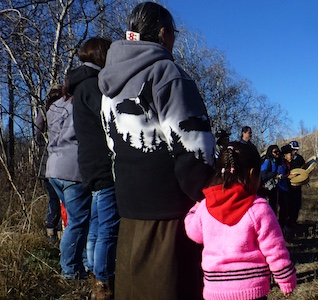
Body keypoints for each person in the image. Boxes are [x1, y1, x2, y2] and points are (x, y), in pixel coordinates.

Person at [98, 2, 215, 299]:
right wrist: (209, 195)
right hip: (172, 216)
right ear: (164, 34)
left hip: (129, 209)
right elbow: (194, 149)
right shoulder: (168, 74)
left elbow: (113, 145)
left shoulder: (109, 86)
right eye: (174, 32)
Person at [184, 142, 296, 300]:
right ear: (252, 174)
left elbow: (194, 233)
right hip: (252, 289)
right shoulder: (258, 207)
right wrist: (285, 278)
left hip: (215, 289)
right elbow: (274, 248)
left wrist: (193, 210)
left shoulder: (205, 206)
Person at [67, 37, 120, 299]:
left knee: (97, 225)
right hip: (103, 164)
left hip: (89, 164)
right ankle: (104, 282)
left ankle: (94, 274)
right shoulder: (94, 85)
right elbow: (113, 119)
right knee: (108, 227)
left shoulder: (79, 86)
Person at [46, 84, 92, 280]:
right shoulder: (79, 103)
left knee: (74, 220)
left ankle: (77, 263)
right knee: (77, 222)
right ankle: (71, 270)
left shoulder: (54, 107)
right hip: (72, 169)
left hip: (53, 168)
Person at [35, 84, 63, 244]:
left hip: (47, 164)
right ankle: (57, 231)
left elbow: (38, 134)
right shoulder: (64, 110)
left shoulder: (44, 112)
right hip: (58, 162)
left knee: (54, 198)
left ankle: (52, 231)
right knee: (60, 199)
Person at [287, 140, 305, 233]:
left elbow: (304, 170)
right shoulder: (285, 159)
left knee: (297, 204)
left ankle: (294, 221)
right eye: (293, 150)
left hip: (298, 185)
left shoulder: (300, 158)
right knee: (289, 204)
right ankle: (288, 223)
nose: (295, 151)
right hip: (288, 186)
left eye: (296, 150)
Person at [259, 145, 281, 214]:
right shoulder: (267, 161)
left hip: (273, 187)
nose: (277, 153)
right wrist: (275, 174)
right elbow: (263, 175)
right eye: (275, 152)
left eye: (278, 151)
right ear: (270, 152)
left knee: (274, 207)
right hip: (266, 189)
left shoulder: (276, 161)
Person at [277, 144, 293, 231]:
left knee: (286, 208)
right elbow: (280, 176)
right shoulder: (281, 164)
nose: (291, 155)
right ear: (285, 155)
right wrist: (288, 176)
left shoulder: (287, 164)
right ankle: (281, 227)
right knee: (283, 208)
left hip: (285, 188)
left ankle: (283, 225)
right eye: (290, 154)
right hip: (281, 189)